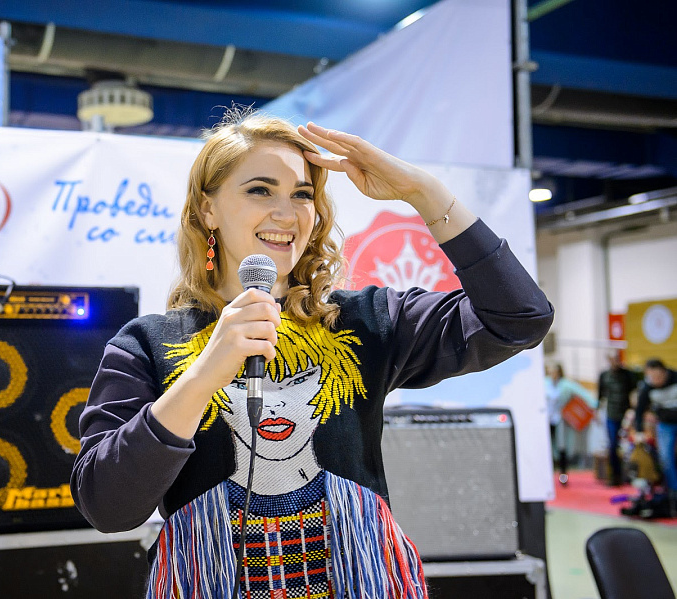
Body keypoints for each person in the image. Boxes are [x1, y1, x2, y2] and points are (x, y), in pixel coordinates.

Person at [71, 110, 554, 598]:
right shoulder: (148, 345)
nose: (287, 214)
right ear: (206, 209)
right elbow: (107, 507)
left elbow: (520, 318)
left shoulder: (363, 322)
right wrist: (203, 376)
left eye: (302, 195)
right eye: (260, 190)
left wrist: (423, 193)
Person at [635, 358, 677, 513]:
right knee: (665, 458)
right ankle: (673, 493)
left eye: (658, 377)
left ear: (664, 371)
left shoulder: (675, 378)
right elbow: (639, 410)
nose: (655, 381)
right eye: (651, 377)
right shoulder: (647, 387)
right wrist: (639, 431)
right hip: (665, 424)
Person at [546, 363, 597, 485]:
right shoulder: (544, 383)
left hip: (560, 419)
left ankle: (563, 475)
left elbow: (584, 394)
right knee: (547, 446)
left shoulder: (566, 384)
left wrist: (594, 406)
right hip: (546, 419)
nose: (552, 374)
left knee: (561, 446)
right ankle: (547, 475)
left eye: (554, 371)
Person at [597, 352, 638, 485]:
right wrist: (596, 411)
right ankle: (615, 475)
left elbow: (634, 393)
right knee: (613, 445)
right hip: (611, 414)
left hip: (626, 415)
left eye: (617, 359)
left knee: (629, 446)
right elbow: (600, 395)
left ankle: (630, 475)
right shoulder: (604, 375)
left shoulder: (628, 375)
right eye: (612, 359)